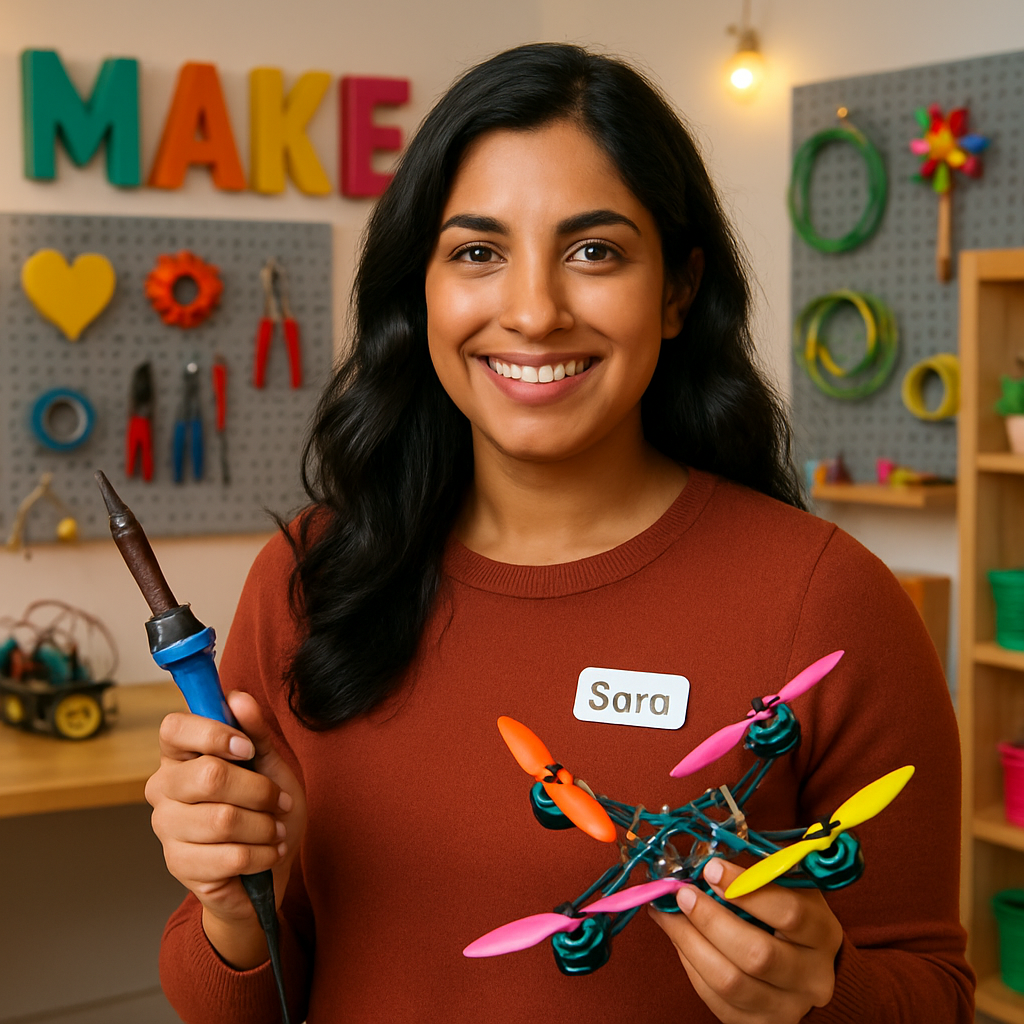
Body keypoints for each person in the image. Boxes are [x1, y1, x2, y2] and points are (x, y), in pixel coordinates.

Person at [149, 43, 974, 1023]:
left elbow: (933, 992)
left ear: (676, 290)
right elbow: (232, 1004)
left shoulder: (829, 599)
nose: (533, 312)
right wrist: (230, 905)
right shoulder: (309, 575)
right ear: (422, 289)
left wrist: (822, 991)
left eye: (595, 251)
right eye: (477, 252)